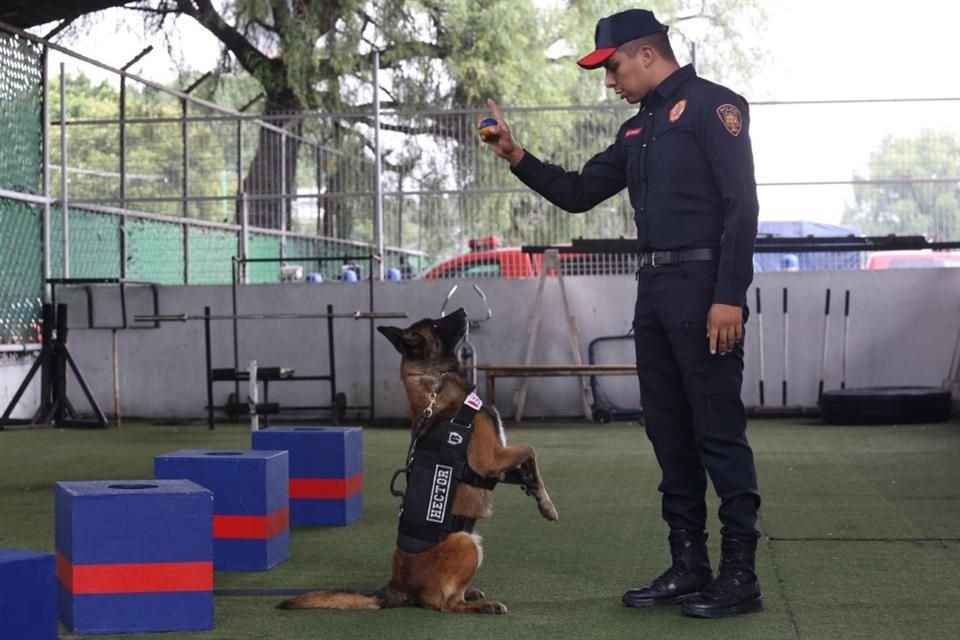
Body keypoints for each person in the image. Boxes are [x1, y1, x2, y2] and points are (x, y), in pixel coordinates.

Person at [480, 8, 762, 619]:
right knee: (667, 431)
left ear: (644, 54)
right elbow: (580, 193)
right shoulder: (640, 129)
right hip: (655, 289)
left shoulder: (715, 108)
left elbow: (743, 205)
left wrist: (729, 295)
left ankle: (741, 575)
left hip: (704, 285)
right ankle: (691, 566)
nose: (608, 81)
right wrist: (515, 153)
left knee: (717, 432)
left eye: (611, 67)